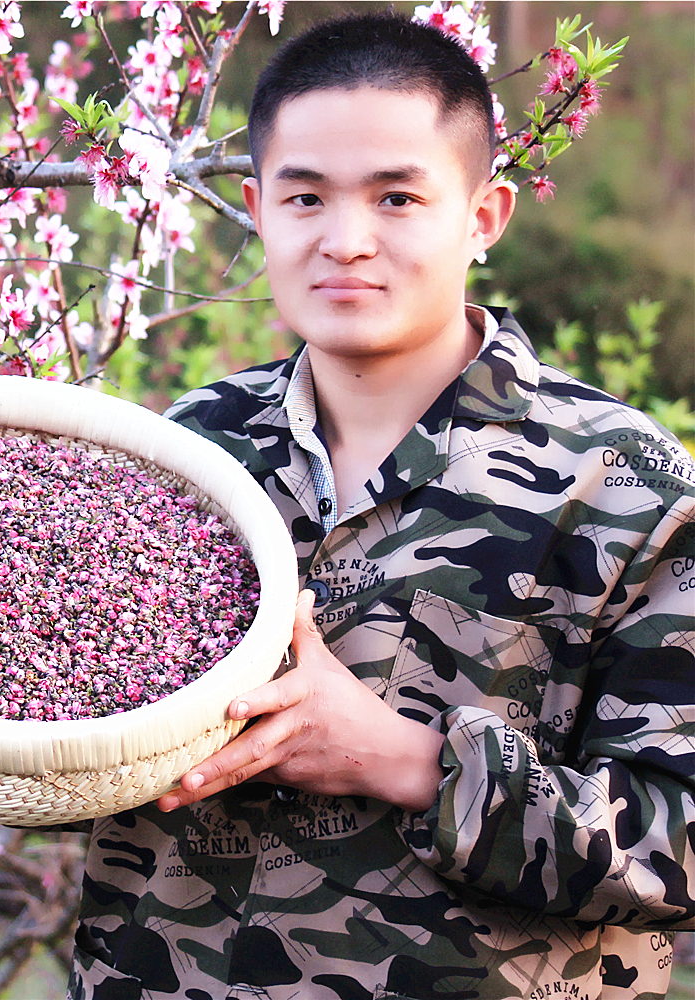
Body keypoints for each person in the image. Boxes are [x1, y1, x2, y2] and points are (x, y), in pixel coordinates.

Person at [68, 12, 695, 999]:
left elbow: (681, 842)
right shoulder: (187, 446)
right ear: (256, 209)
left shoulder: (624, 484)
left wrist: (406, 760)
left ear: (483, 216)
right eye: (304, 196)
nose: (345, 240)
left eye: (397, 196)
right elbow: (73, 735)